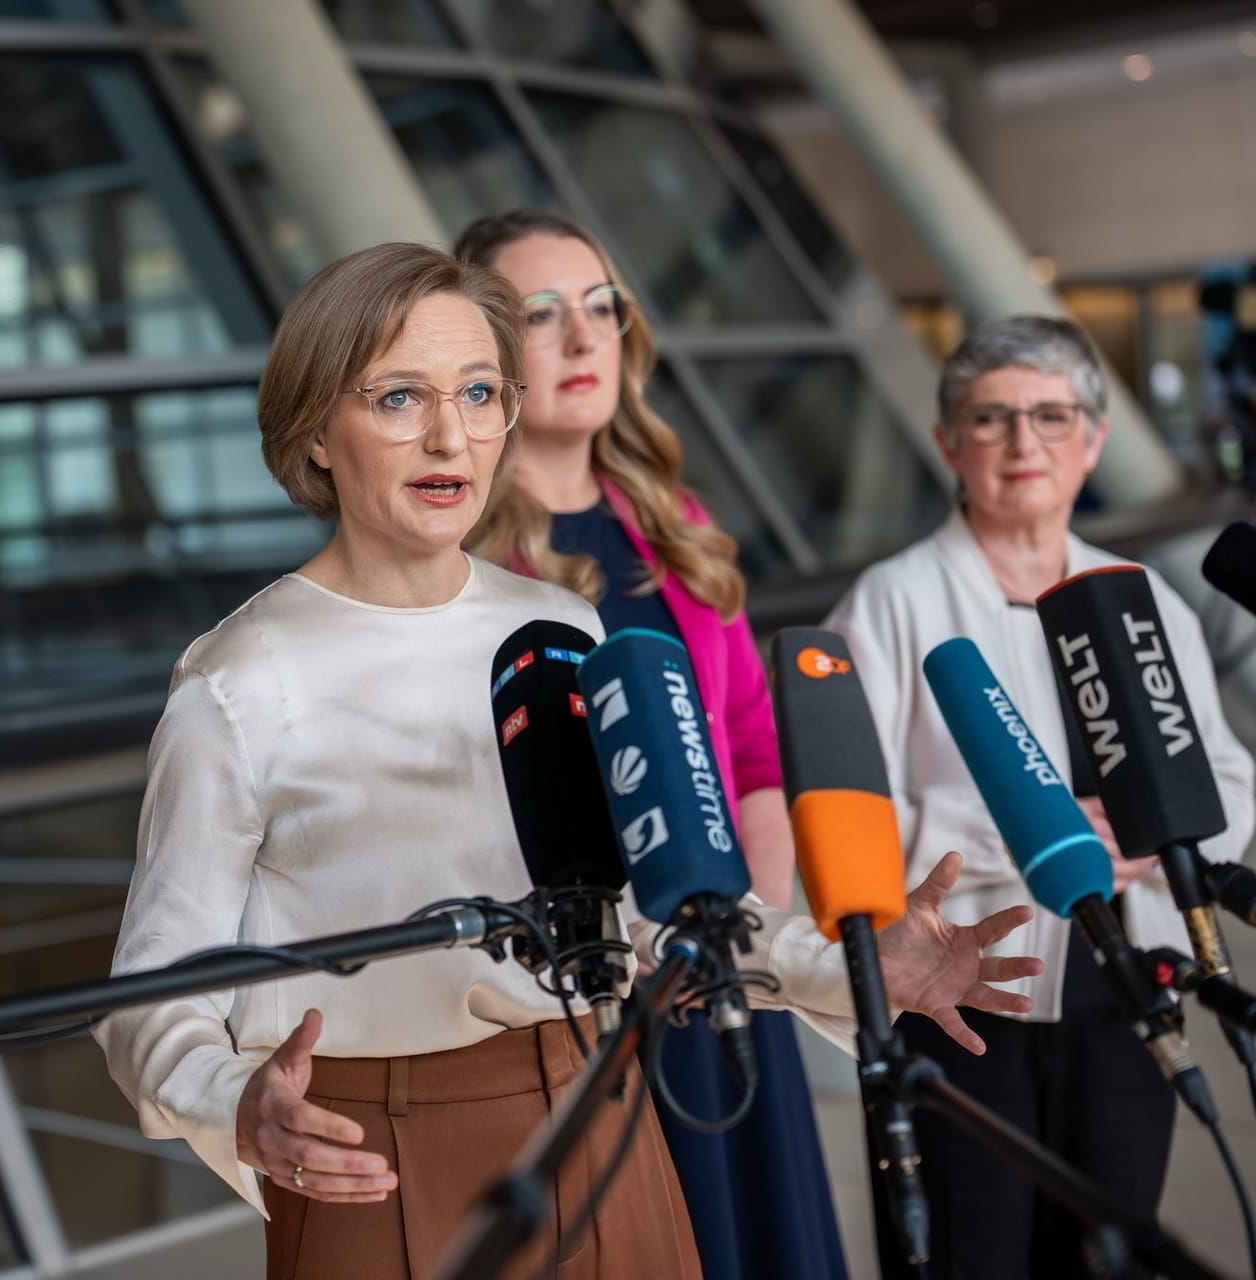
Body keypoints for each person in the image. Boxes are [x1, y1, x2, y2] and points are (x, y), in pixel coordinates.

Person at [94, 240, 1043, 1280]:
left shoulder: (558, 624)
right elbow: (154, 992)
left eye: (479, 391)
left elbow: (647, 910)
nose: (450, 433)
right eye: (400, 396)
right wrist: (237, 1101)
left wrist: (860, 966)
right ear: (318, 427)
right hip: (373, 1152)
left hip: (604, 1107)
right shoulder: (238, 678)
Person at [454, 206, 848, 1280]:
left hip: (724, 969)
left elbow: (755, 754)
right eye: (542, 315)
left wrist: (758, 941)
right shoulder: (459, 561)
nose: (585, 340)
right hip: (581, 1004)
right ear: (480, 351)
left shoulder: (670, 519)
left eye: (602, 308)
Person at [826, 314, 1256, 1280]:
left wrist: (1145, 836)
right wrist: (1035, 837)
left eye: (1053, 416)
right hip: (958, 994)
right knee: (963, 1257)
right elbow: (847, 809)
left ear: (1095, 440)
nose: (1025, 443)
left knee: (1109, 1255)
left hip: (1124, 994)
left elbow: (1228, 776)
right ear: (948, 442)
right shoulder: (891, 600)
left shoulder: (1140, 593)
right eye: (993, 418)